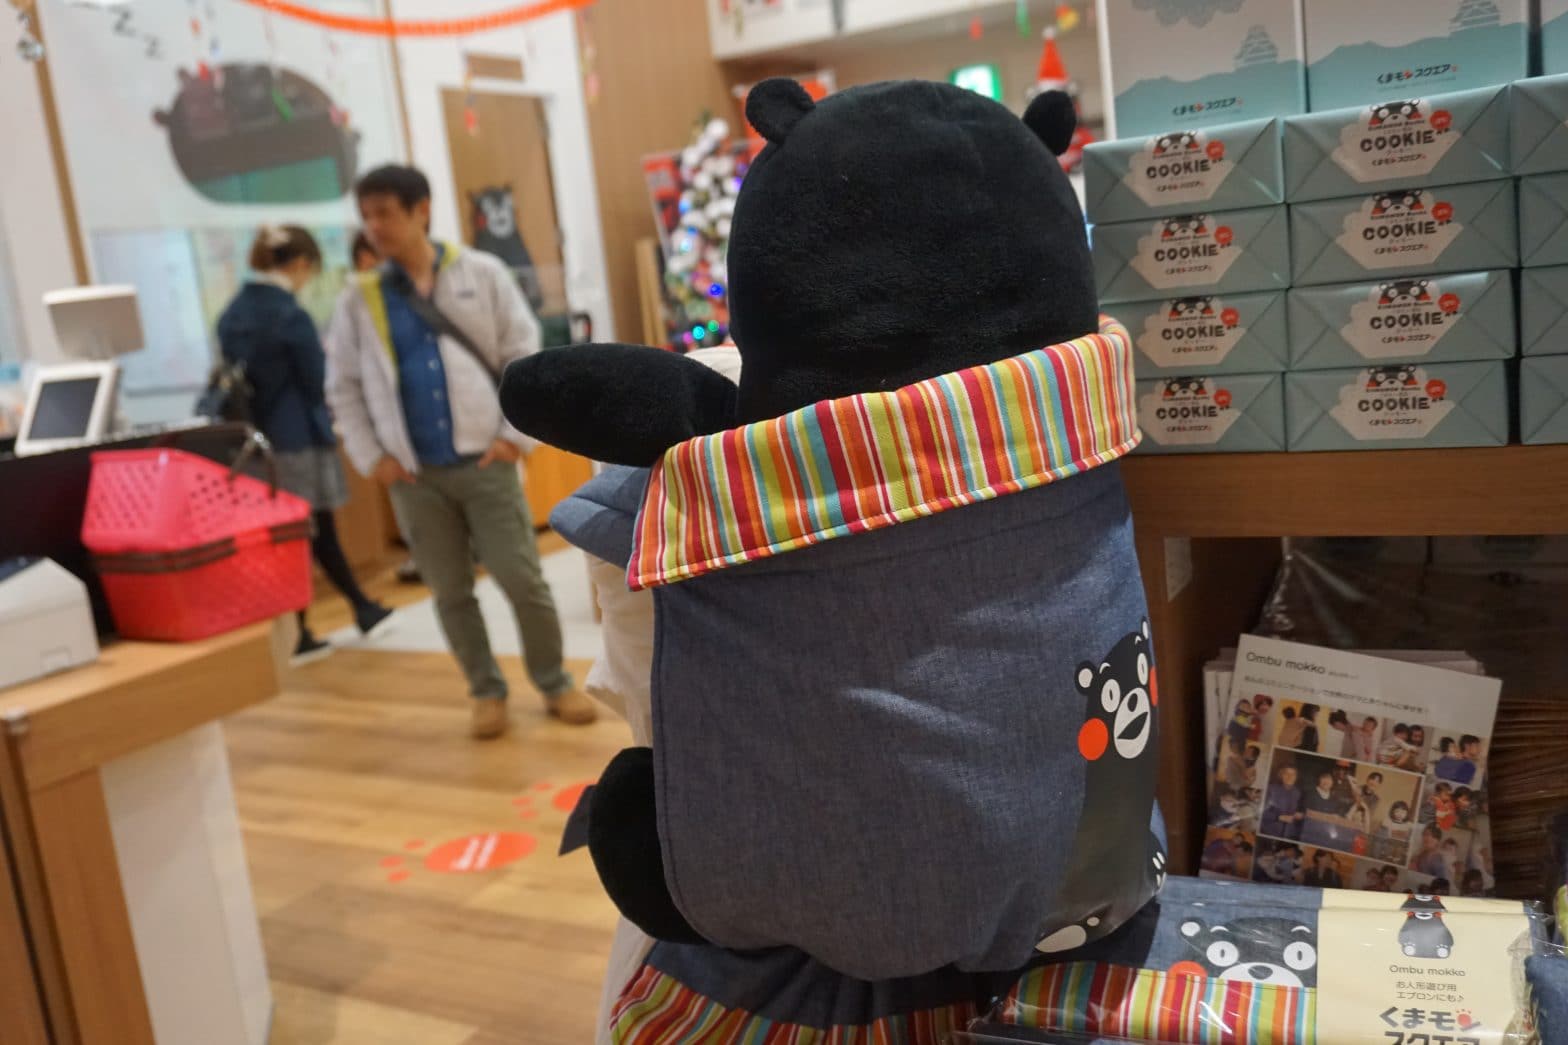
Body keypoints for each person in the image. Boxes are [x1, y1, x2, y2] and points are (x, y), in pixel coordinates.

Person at [325, 165, 596, 737]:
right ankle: (485, 691)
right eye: (366, 216)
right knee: (450, 592)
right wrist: (374, 458)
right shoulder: (361, 298)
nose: (374, 227)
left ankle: (554, 681)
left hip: (486, 463)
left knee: (522, 580)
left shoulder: (482, 273)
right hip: (414, 476)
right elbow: (343, 386)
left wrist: (513, 439)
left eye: (385, 213)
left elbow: (524, 354)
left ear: (421, 210)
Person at [217, 225, 393, 663]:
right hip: (298, 438)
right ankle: (328, 621)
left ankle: (344, 614)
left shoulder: (231, 315)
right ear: (298, 264)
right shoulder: (290, 316)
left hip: (255, 444)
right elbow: (318, 382)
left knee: (288, 537)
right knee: (312, 531)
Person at [1300, 770, 1344, 849]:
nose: (1326, 781)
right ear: (1318, 780)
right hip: (1310, 833)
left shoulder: (1335, 798)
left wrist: (1337, 816)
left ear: (1332, 782)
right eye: (1323, 778)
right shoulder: (1310, 794)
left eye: (1329, 779)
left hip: (1326, 836)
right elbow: (1304, 812)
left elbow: (1339, 814)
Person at [1262, 765, 1304, 839]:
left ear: (1296, 777)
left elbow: (1297, 812)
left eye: (1293, 774)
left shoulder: (1297, 792)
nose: (1290, 777)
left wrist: (1299, 815)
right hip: (1269, 832)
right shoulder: (1271, 789)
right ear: (1281, 775)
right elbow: (1261, 812)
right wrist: (1278, 817)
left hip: (1288, 835)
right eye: (1286, 773)